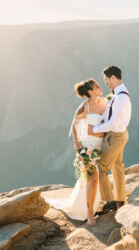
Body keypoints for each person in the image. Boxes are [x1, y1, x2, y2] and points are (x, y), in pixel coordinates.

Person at [46, 79, 107, 226]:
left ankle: (91, 205)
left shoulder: (105, 102)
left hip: (101, 146)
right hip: (87, 147)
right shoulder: (84, 107)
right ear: (90, 92)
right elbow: (74, 125)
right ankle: (90, 213)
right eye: (96, 87)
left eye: (99, 85)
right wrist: (77, 144)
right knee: (93, 178)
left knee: (94, 179)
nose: (100, 87)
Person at [88, 66, 131, 214]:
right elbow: (111, 117)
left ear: (113, 77)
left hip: (115, 137)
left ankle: (110, 202)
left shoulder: (120, 98)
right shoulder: (120, 95)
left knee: (101, 168)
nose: (105, 82)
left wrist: (93, 130)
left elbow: (112, 123)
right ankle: (120, 200)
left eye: (106, 79)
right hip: (120, 135)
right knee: (118, 166)